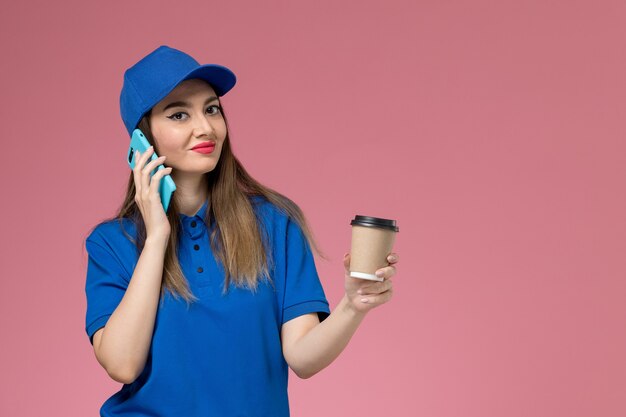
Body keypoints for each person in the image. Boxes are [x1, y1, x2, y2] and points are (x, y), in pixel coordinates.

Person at [84, 45, 400, 416]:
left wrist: (353, 305)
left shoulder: (275, 223)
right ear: (142, 142)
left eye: (212, 109)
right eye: (179, 114)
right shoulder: (112, 243)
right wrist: (156, 237)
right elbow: (121, 364)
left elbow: (301, 358)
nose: (205, 127)